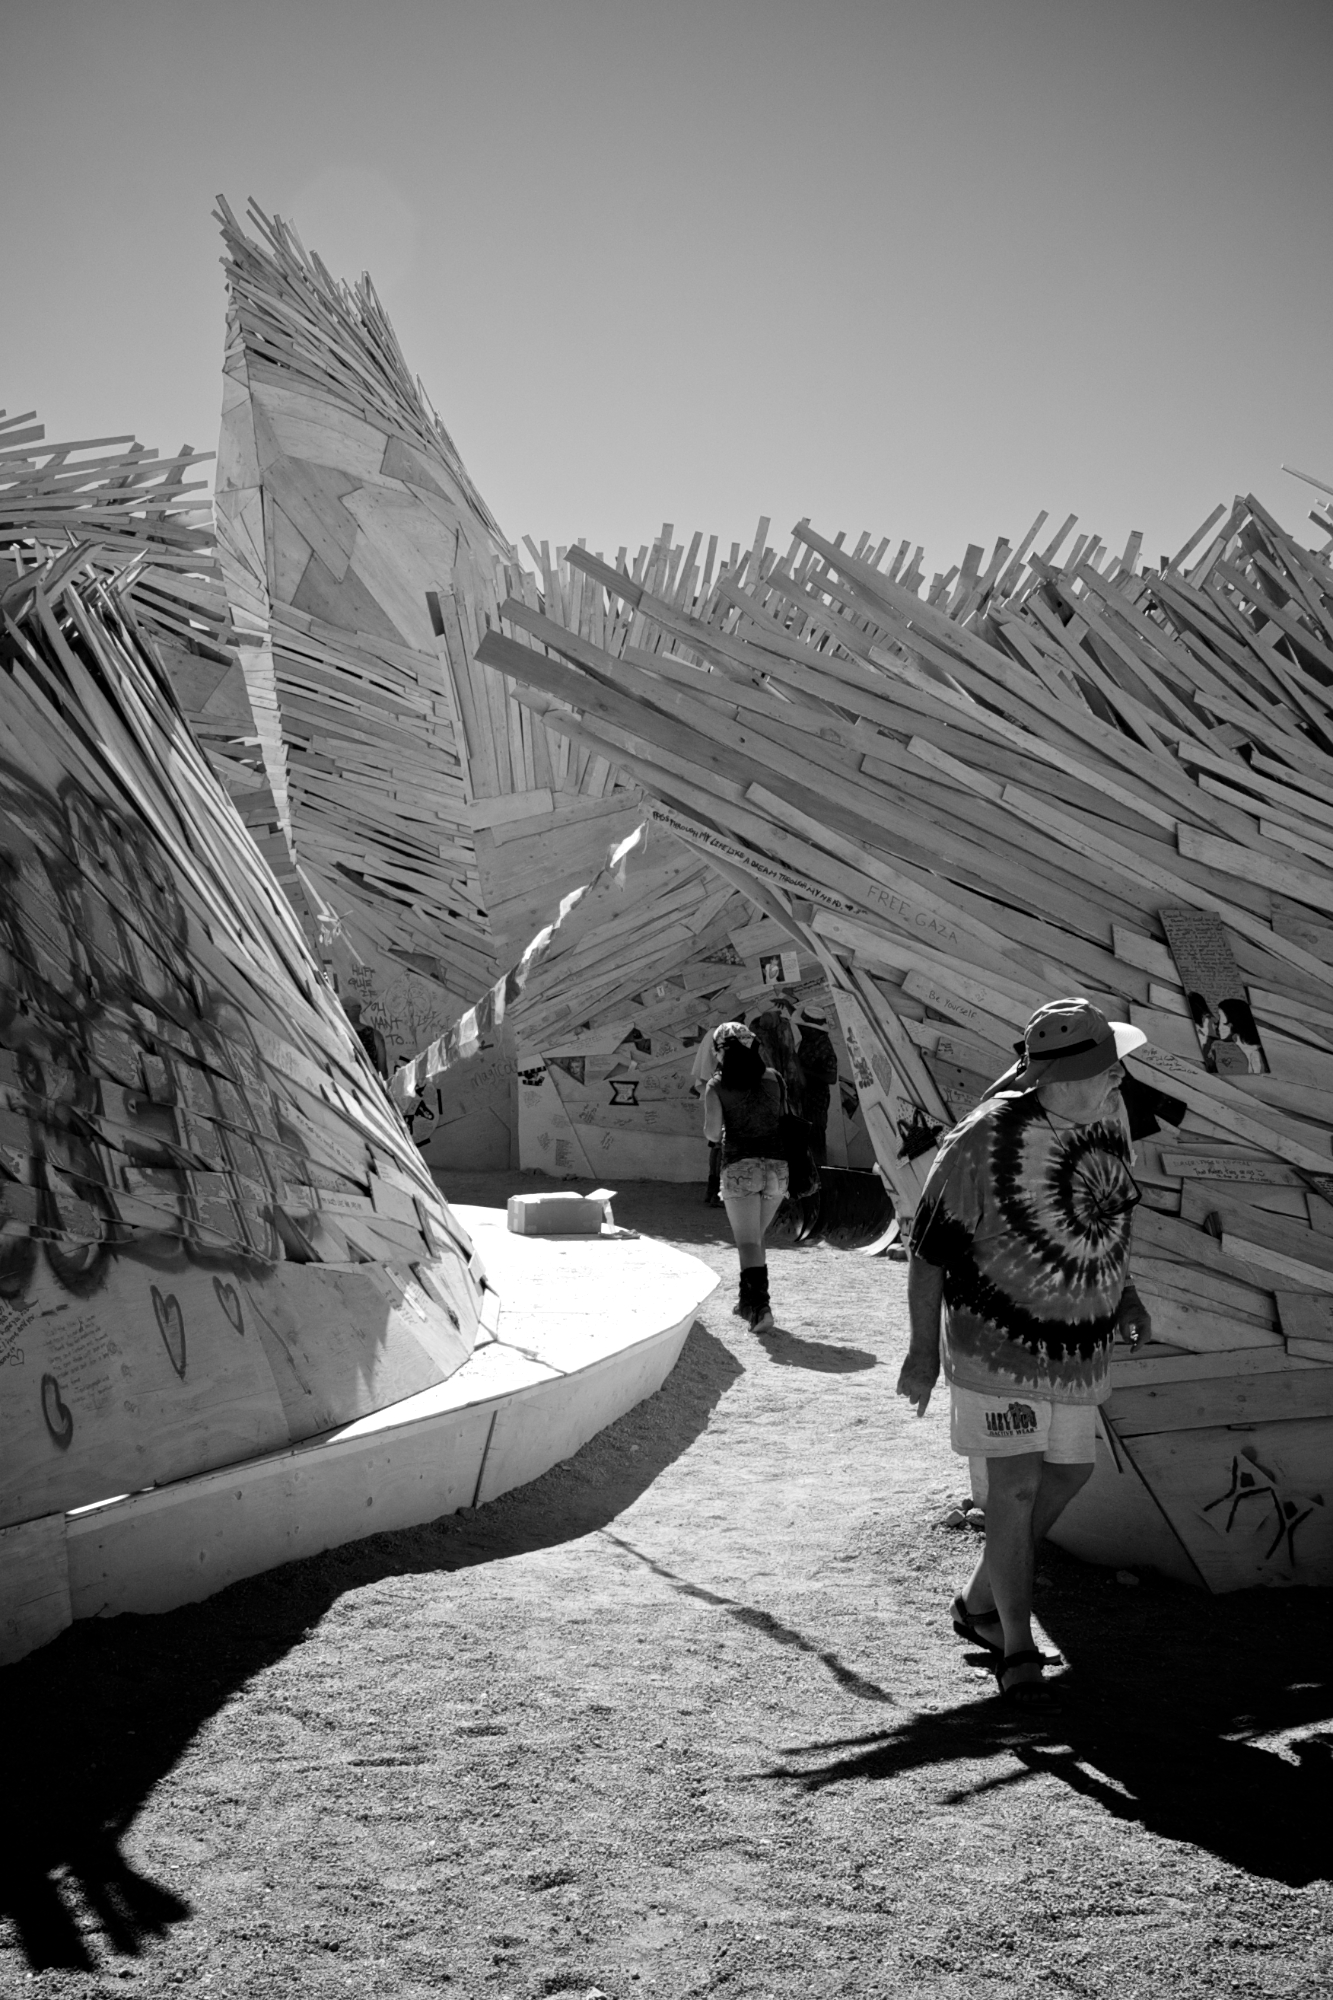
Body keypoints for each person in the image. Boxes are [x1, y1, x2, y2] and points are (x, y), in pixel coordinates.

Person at [896, 998, 1153, 1701]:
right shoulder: (980, 1141)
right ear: (1068, 1075)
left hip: (1078, 1349)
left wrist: (1124, 1296)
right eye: (1109, 1070)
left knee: (1066, 1476)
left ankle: (979, 1600)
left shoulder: (1106, 1122)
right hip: (995, 1347)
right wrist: (922, 1354)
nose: (1118, 1082)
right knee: (1011, 1493)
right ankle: (1014, 1646)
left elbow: (1110, 1217)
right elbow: (927, 1257)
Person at [702, 1021, 788, 1331]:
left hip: (740, 1168)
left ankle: (761, 1309)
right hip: (778, 1169)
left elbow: (712, 1133)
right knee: (756, 1238)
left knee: (748, 1241)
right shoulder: (774, 1079)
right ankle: (745, 1302)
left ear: (721, 1051)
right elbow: (780, 1119)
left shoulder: (716, 1085)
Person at [795, 1006, 840, 1167]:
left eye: (803, 1027)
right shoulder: (809, 1038)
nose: (800, 1029)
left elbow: (831, 1077)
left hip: (816, 1102)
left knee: (816, 1139)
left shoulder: (823, 1047)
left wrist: (802, 1069)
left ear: (813, 1030)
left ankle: (821, 1175)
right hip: (805, 1098)